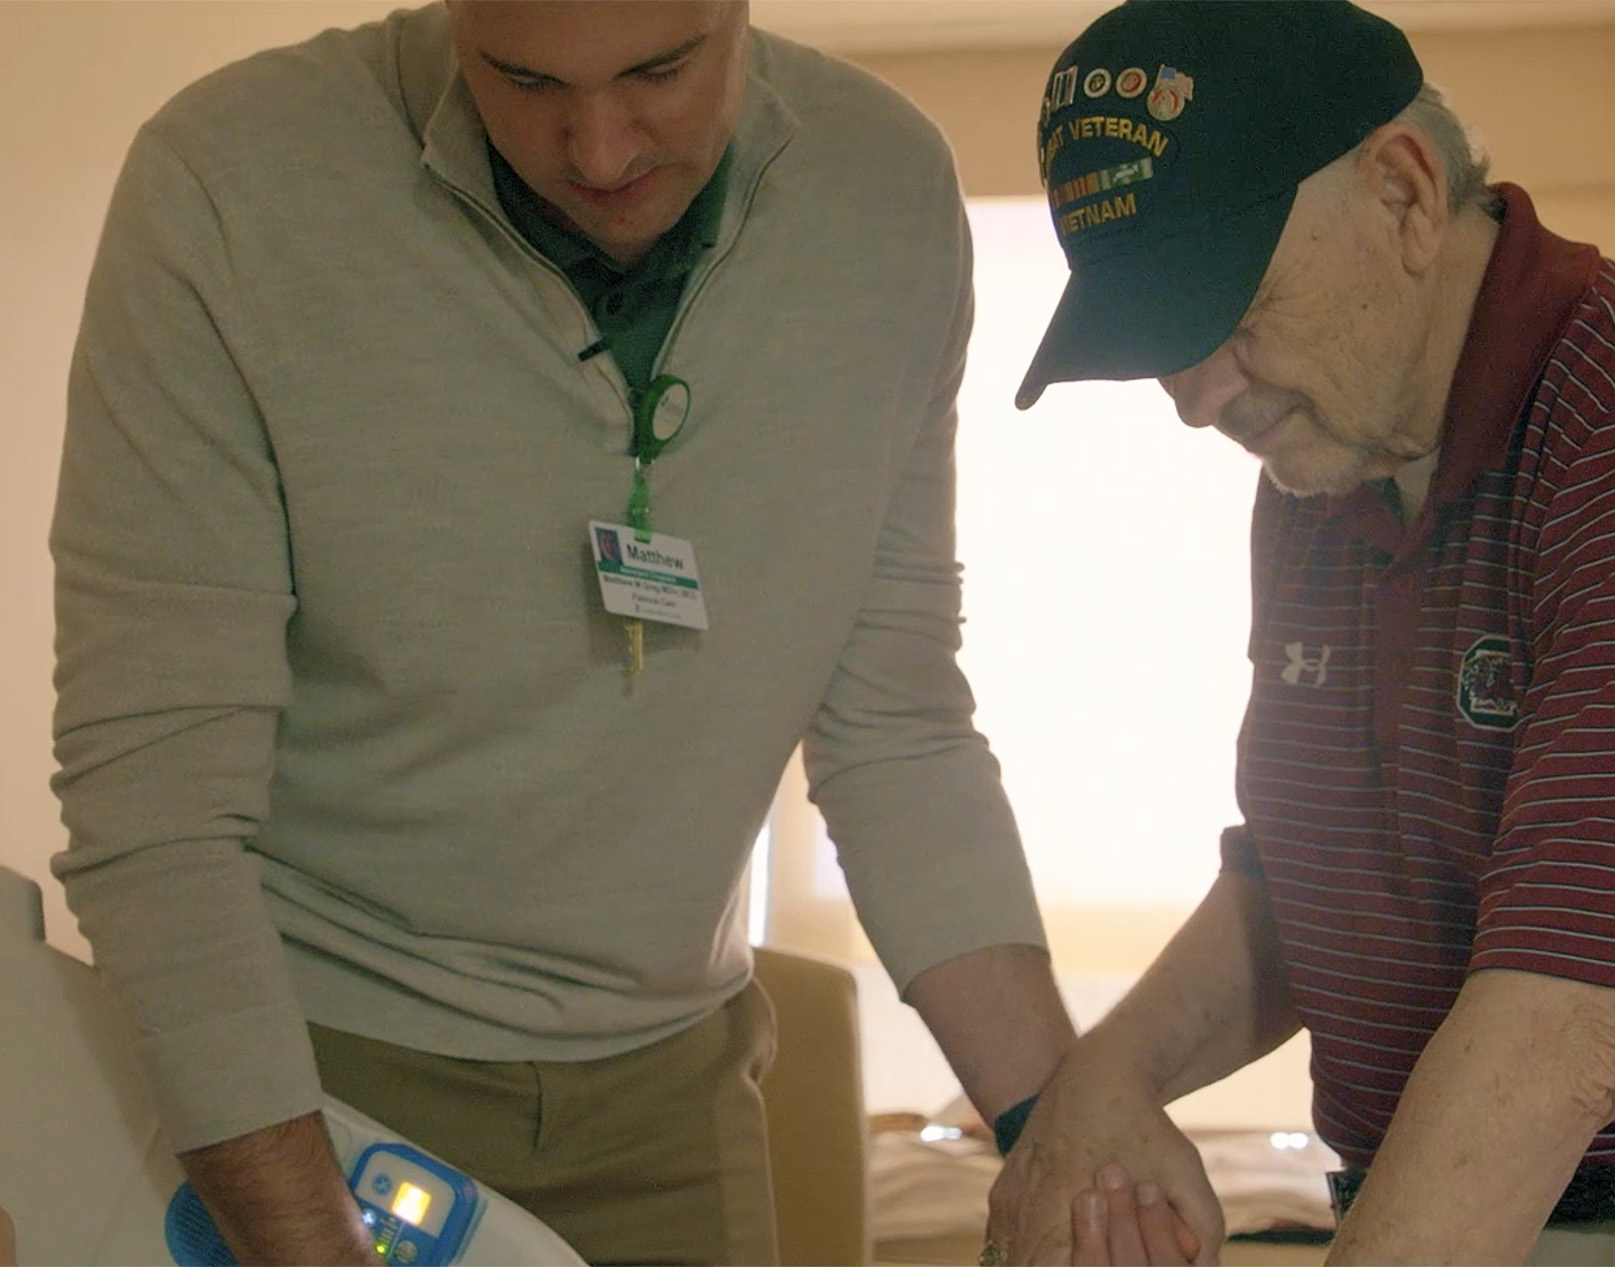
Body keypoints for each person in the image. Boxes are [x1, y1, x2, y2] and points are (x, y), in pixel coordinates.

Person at [48, 3, 1079, 1262]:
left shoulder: (884, 192)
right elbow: (152, 799)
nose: (596, 151)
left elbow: (897, 727)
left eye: (661, 71)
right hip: (301, 1078)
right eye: (522, 78)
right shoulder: (230, 182)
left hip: (673, 1088)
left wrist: (1069, 1135)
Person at [985, 2, 1615, 1264]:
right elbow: (1304, 873)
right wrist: (1106, 1080)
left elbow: (1562, 1037)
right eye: (1164, 341)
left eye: (1231, 308)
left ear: (1404, 193)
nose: (1196, 398)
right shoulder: (1328, 464)